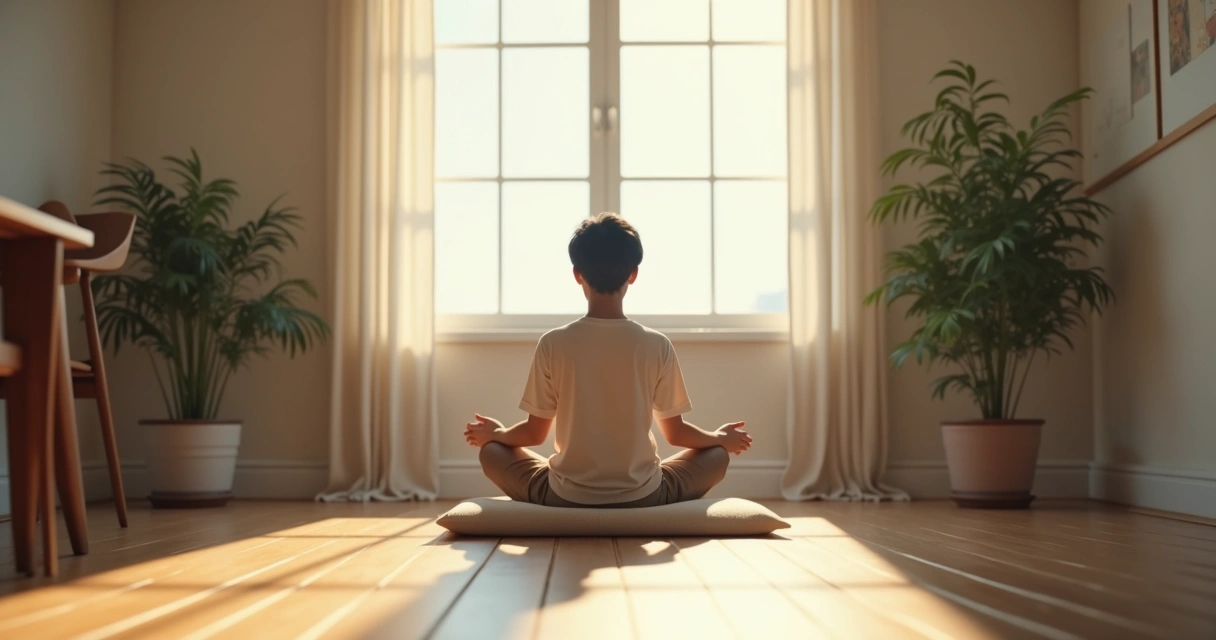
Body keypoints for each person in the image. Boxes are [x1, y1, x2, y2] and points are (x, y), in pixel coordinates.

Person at [465, 213, 752, 508]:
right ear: (633, 274)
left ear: (577, 274)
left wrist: (497, 434)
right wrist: (720, 438)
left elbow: (534, 434)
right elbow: (676, 433)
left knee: (492, 452)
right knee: (717, 455)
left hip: (563, 496)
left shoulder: (553, 343)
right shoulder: (656, 344)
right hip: (644, 495)